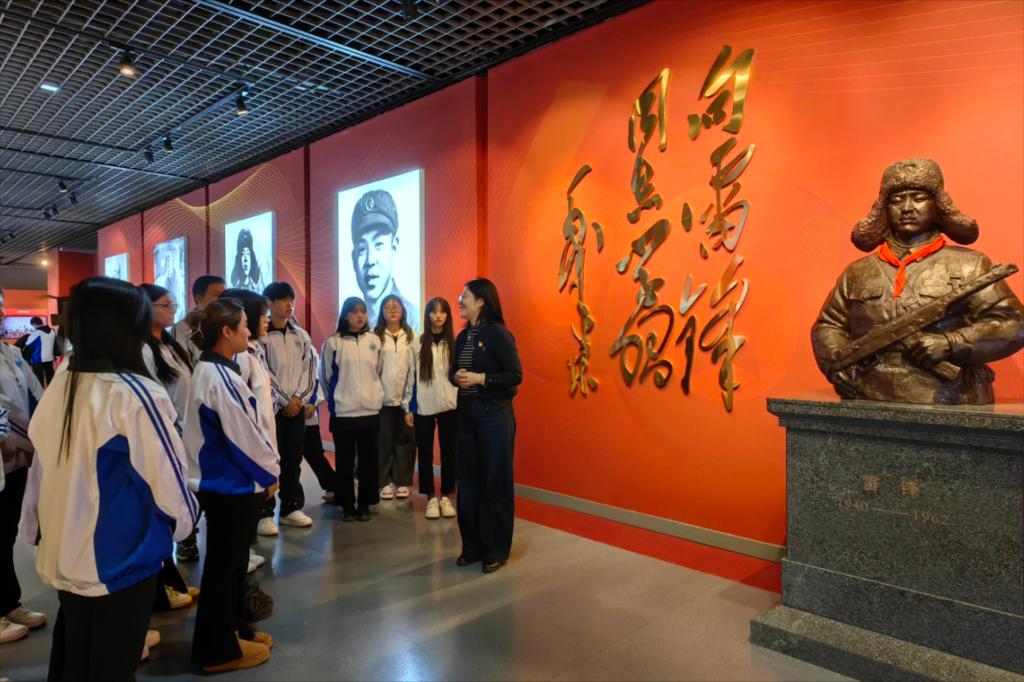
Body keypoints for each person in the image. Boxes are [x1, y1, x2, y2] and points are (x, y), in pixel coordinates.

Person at [20, 277, 197, 681]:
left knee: (75, 655)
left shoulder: (63, 379)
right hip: (119, 558)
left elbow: (40, 468)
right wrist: (184, 524)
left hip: (65, 550)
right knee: (112, 664)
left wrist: (34, 529)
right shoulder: (135, 393)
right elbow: (168, 481)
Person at [812, 158, 1024, 404]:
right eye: (897, 200)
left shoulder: (970, 265)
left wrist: (951, 343)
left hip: (948, 398)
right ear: (885, 208)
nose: (907, 208)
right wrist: (838, 364)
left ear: (937, 205)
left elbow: (1014, 324)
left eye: (919, 198)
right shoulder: (857, 272)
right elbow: (829, 325)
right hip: (868, 395)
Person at [183, 298, 278, 674]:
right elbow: (243, 437)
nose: (250, 332)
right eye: (244, 326)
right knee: (223, 570)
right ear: (226, 332)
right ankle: (217, 650)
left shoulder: (215, 369)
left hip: (229, 481)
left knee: (232, 566)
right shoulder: (217, 376)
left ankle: (234, 631)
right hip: (228, 484)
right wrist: (270, 474)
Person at [450, 279, 522, 574]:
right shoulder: (463, 337)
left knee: (495, 482)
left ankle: (495, 549)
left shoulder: (498, 335)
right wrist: (456, 377)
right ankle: (472, 547)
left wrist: (481, 379)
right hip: (466, 417)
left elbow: (515, 376)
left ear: (481, 301)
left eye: (464, 296)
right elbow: (453, 371)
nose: (459, 300)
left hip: (494, 417)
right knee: (467, 483)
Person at [139, 284, 199, 613]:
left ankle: (171, 581)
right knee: (160, 512)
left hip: (181, 439)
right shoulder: (143, 350)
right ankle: (160, 588)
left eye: (172, 304)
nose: (172, 309)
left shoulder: (170, 345)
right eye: (164, 304)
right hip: (165, 440)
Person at [219, 287, 278, 576]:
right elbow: (249, 415)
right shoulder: (240, 358)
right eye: (262, 314)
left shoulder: (253, 351)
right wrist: (267, 459)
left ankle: (246, 551)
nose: (267, 320)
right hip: (251, 448)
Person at [0, 289, 46, 646]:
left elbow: (35, 395)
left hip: (18, 456)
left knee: (4, 534)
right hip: (7, 449)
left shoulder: (12, 353)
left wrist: (38, 437)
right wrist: (5, 439)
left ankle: (7, 603)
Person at [257, 282, 316, 534]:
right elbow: (264, 372)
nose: (289, 304)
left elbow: (309, 371)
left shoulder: (301, 336)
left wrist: (298, 400)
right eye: (283, 299)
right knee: (270, 459)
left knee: (293, 459)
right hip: (271, 410)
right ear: (269, 303)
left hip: (296, 408)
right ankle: (264, 512)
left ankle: (291, 507)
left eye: (291, 299)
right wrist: (284, 401)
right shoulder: (261, 336)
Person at [320, 297, 383, 522]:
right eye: (355, 311)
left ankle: (365, 503)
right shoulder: (333, 343)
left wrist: (375, 395)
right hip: (344, 412)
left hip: (370, 411)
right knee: (345, 462)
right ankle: (347, 505)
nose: (360, 315)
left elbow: (378, 371)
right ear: (346, 315)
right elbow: (325, 377)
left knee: (368, 462)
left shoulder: (374, 340)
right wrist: (337, 399)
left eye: (363, 311)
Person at [407, 297, 458, 520]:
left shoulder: (454, 343)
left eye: (442, 311)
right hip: (424, 407)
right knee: (425, 452)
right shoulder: (417, 344)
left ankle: (446, 495)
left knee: (449, 452)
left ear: (447, 315)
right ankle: (430, 497)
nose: (438, 315)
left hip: (450, 406)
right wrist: (409, 407)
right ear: (427, 315)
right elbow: (410, 378)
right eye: (434, 311)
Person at [350, 189, 419, 328]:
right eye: (362, 249)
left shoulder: (413, 320)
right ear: (353, 258)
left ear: (394, 247)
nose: (370, 260)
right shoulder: (348, 323)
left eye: (378, 245)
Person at [376, 295, 417, 501]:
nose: (392, 310)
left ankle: (402, 481)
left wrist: (411, 402)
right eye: (387, 307)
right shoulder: (375, 336)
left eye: (396, 307)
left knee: (405, 442)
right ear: (381, 311)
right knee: (382, 442)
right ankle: (384, 482)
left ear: (403, 311)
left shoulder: (411, 336)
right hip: (381, 401)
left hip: (404, 401)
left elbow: (414, 371)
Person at [302, 345, 335, 502]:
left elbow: (317, 378)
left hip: (307, 412)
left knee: (314, 453)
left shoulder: (309, 350)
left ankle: (333, 486)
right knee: (285, 460)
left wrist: (313, 403)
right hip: (281, 411)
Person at [173, 275, 226, 365]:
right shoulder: (183, 328)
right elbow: (179, 364)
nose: (223, 299)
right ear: (199, 299)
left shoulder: (227, 324)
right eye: (217, 295)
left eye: (224, 295)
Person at [20, 317, 57, 387]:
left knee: (39, 378)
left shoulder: (36, 333)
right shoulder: (52, 331)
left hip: (38, 359)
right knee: (50, 375)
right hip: (50, 357)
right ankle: (51, 390)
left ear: (34, 324)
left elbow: (28, 344)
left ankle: (41, 392)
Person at [231, 229, 265, 293]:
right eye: (242, 254)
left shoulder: (258, 289)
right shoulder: (233, 290)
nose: (246, 259)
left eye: (248, 253)